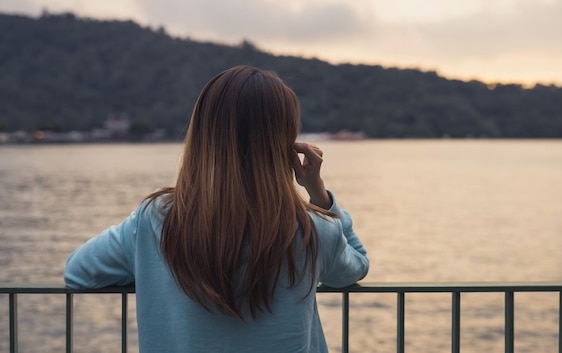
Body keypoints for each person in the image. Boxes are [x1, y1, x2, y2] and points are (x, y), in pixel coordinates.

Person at [64, 65, 369, 353]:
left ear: (202, 136)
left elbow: (78, 273)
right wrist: (318, 192)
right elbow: (355, 266)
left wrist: (155, 275)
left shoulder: (157, 219)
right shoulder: (313, 230)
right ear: (284, 144)